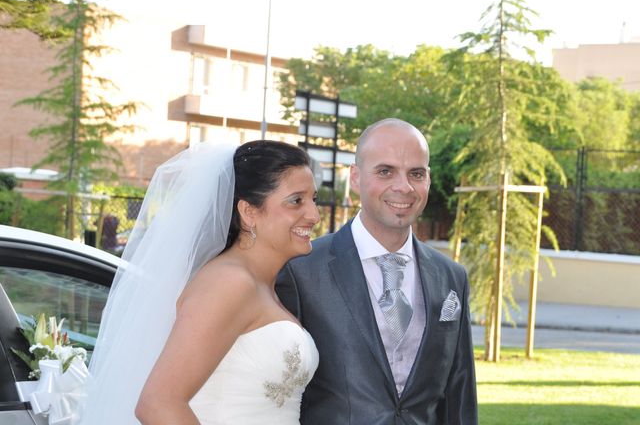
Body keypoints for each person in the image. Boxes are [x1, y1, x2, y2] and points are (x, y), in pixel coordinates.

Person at [80, 140, 321, 424]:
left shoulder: (263, 285)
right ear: (249, 212)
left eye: (313, 199)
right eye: (296, 201)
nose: (314, 215)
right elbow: (158, 404)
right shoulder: (229, 282)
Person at [277, 118, 478, 424]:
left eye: (416, 173)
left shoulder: (452, 277)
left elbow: (459, 394)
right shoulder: (300, 270)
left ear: (428, 179)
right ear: (355, 178)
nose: (404, 186)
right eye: (385, 171)